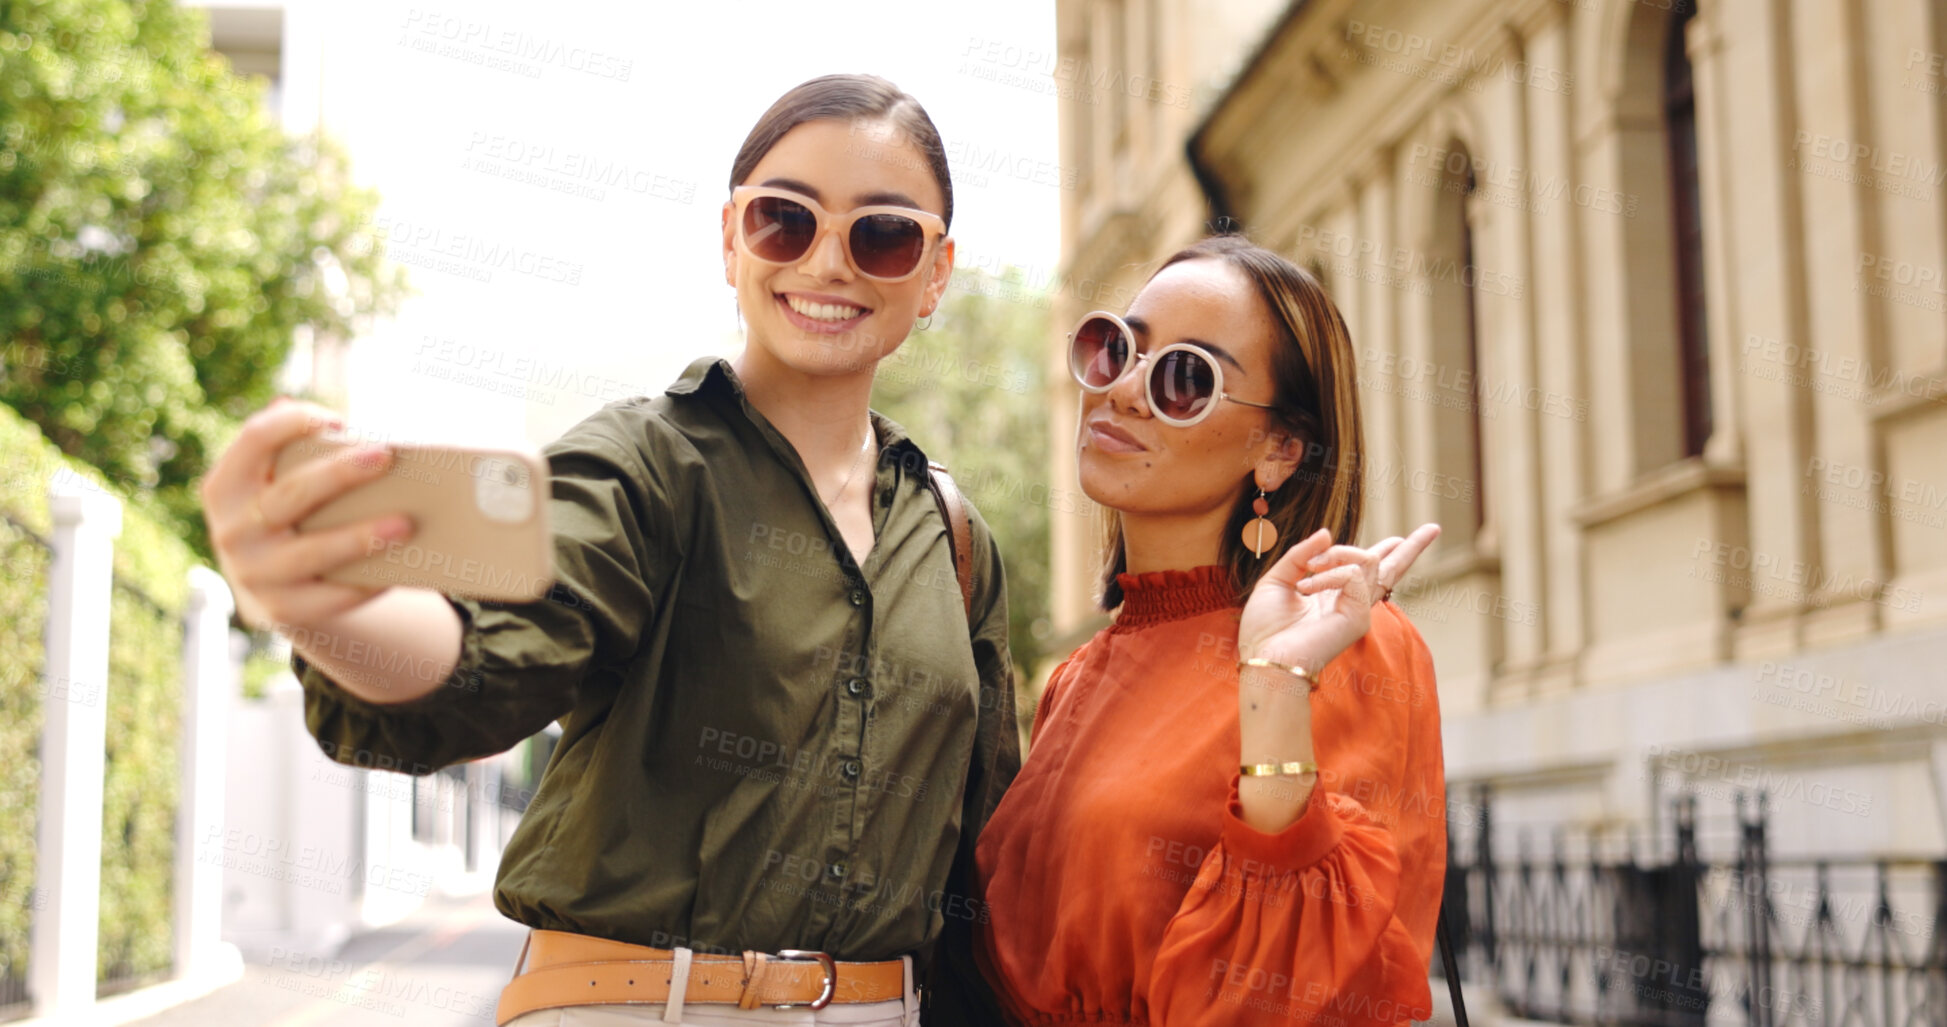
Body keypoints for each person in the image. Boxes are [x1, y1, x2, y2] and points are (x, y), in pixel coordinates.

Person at [199, 74, 1020, 1026]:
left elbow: (986, 863)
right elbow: (493, 648)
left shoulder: (956, 540)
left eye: (882, 232)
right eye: (785, 220)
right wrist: (320, 603)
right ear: (729, 240)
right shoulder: (641, 465)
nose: (829, 262)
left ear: (935, 272)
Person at [972, 235, 1447, 1027]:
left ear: (1278, 449)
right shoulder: (1076, 677)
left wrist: (1272, 683)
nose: (1122, 390)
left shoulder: (1349, 642)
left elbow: (1307, 987)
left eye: (1184, 379)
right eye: (1114, 348)